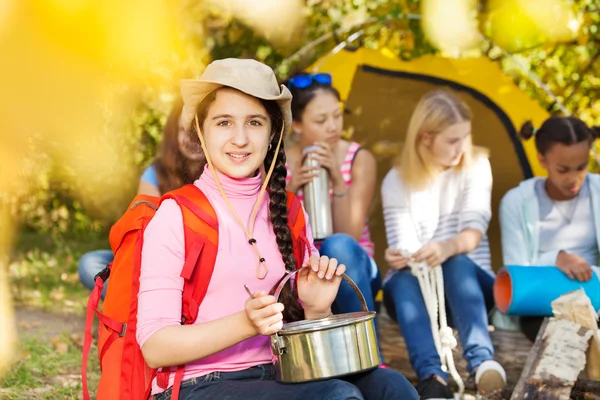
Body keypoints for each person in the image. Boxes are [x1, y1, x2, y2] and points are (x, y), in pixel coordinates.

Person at [136, 58, 418, 400]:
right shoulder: (177, 214)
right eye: (224, 122)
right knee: (337, 397)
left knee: (392, 387)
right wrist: (246, 323)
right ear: (201, 130)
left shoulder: (291, 211)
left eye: (254, 122)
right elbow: (155, 347)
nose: (239, 139)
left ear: (273, 134)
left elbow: (306, 344)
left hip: (284, 372)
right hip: (197, 385)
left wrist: (317, 309)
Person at [381, 89, 506, 399]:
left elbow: (474, 232)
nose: (462, 148)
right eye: (453, 140)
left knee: (457, 260)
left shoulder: (476, 165)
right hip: (421, 296)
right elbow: (406, 245)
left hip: (470, 290)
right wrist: (399, 256)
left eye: (465, 137)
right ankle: (432, 378)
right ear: (425, 138)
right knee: (400, 279)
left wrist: (445, 248)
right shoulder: (396, 182)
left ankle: (481, 363)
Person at [77, 98, 205, 297]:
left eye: (198, 130)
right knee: (90, 264)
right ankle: (144, 306)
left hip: (201, 263)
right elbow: (143, 231)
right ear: (173, 135)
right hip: (156, 258)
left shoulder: (226, 175)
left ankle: (147, 304)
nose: (191, 138)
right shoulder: (157, 173)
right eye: (183, 130)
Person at [284, 72, 381, 318]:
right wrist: (291, 189)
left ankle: (371, 353)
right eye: (321, 120)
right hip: (304, 265)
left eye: (337, 116)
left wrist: (337, 180)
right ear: (297, 123)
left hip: (354, 266)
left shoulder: (359, 159)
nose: (333, 126)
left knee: (338, 245)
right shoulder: (278, 161)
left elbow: (350, 236)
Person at [499, 116, 600, 342]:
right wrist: (556, 258)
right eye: (563, 170)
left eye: (581, 167)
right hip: (542, 305)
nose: (574, 179)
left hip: (597, 298)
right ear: (542, 160)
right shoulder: (517, 201)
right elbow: (517, 274)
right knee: (561, 337)